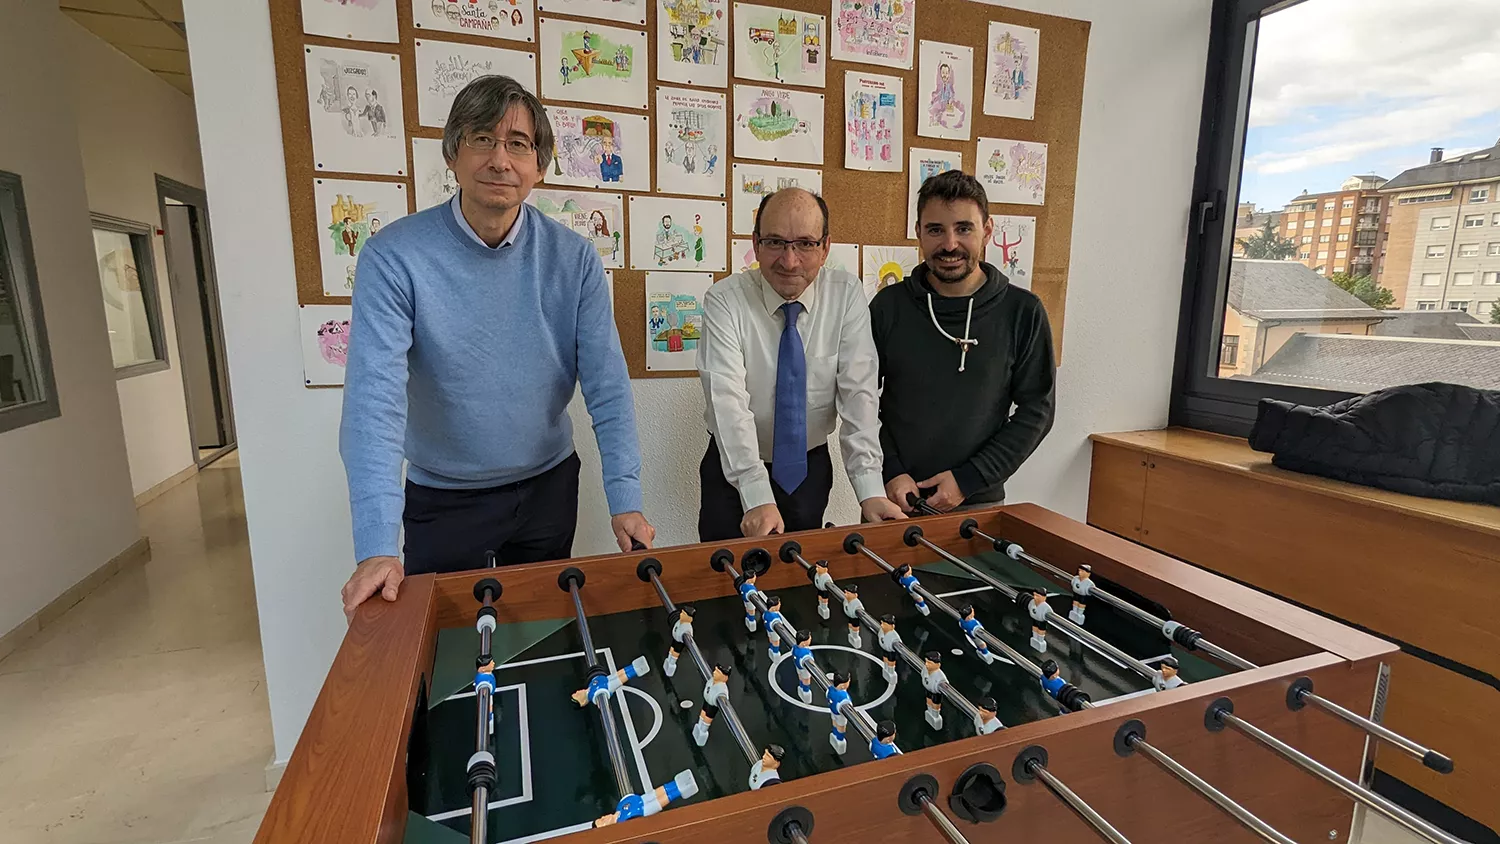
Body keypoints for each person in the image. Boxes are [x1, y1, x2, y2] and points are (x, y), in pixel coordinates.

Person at [339, 75, 654, 619]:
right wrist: (376, 547)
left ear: (540, 165)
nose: (499, 160)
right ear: (453, 154)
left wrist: (626, 500)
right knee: (450, 657)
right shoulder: (393, 257)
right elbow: (374, 404)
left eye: (518, 144)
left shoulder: (574, 259)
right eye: (481, 139)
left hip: (547, 490)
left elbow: (607, 385)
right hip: (443, 499)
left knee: (541, 634)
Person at [696, 188, 906, 540]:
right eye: (775, 242)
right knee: (722, 577)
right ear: (756, 243)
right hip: (733, 466)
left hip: (807, 469)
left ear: (825, 248)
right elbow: (727, 404)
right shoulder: (725, 300)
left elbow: (860, 396)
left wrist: (870, 489)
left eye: (805, 244)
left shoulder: (845, 295)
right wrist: (755, 492)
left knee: (800, 580)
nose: (789, 261)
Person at [871, 170, 1055, 514]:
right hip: (894, 500)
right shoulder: (887, 307)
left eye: (964, 228)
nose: (950, 244)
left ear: (987, 231)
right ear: (919, 234)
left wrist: (969, 478)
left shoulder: (1023, 311)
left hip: (979, 503)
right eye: (936, 229)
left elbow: (1038, 411)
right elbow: (860, 400)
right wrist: (890, 470)